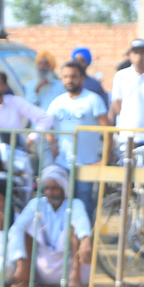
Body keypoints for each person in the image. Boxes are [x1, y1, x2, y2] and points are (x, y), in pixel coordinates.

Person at [11, 164, 92, 287]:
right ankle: (27, 275)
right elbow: (17, 228)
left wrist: (85, 239)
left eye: (54, 188)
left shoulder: (74, 204)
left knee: (74, 229)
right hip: (43, 267)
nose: (49, 192)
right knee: (29, 226)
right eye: (47, 188)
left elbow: (81, 221)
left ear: (63, 188)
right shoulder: (36, 204)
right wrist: (21, 262)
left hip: (69, 266)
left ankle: (75, 278)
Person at [46, 61, 107, 221]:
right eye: (66, 76)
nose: (69, 80)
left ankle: (86, 236)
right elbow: (47, 126)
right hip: (62, 164)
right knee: (60, 203)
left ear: (81, 78)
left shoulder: (93, 99)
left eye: (73, 76)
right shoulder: (58, 102)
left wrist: (105, 159)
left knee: (84, 203)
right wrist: (53, 144)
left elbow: (107, 130)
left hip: (87, 164)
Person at [0, 70, 52, 182]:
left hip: (14, 149)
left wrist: (31, 139)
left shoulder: (16, 102)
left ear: (5, 86)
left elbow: (45, 118)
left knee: (26, 172)